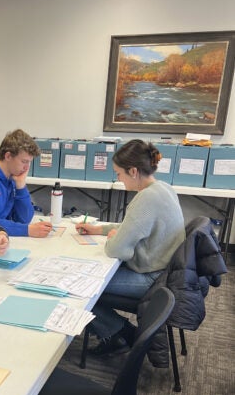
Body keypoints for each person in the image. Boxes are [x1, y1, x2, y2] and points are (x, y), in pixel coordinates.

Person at [76, 139, 185, 355]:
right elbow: (132, 226)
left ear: (133, 171)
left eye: (118, 173)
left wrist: (113, 238)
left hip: (151, 278)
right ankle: (118, 331)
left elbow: (116, 250)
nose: (117, 179)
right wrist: (100, 230)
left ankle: (119, 333)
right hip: (165, 272)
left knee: (81, 286)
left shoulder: (146, 199)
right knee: (86, 282)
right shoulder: (162, 188)